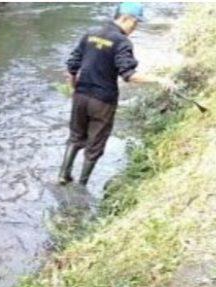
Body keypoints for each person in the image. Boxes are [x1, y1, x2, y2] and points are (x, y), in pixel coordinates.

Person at [58, 2, 175, 186]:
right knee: (95, 144)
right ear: (126, 18)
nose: (134, 29)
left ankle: (63, 175)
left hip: (81, 96)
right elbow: (128, 75)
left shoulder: (90, 34)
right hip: (103, 102)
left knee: (75, 136)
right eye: (135, 24)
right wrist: (159, 79)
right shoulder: (122, 42)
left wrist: (74, 90)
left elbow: (72, 67)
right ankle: (82, 185)